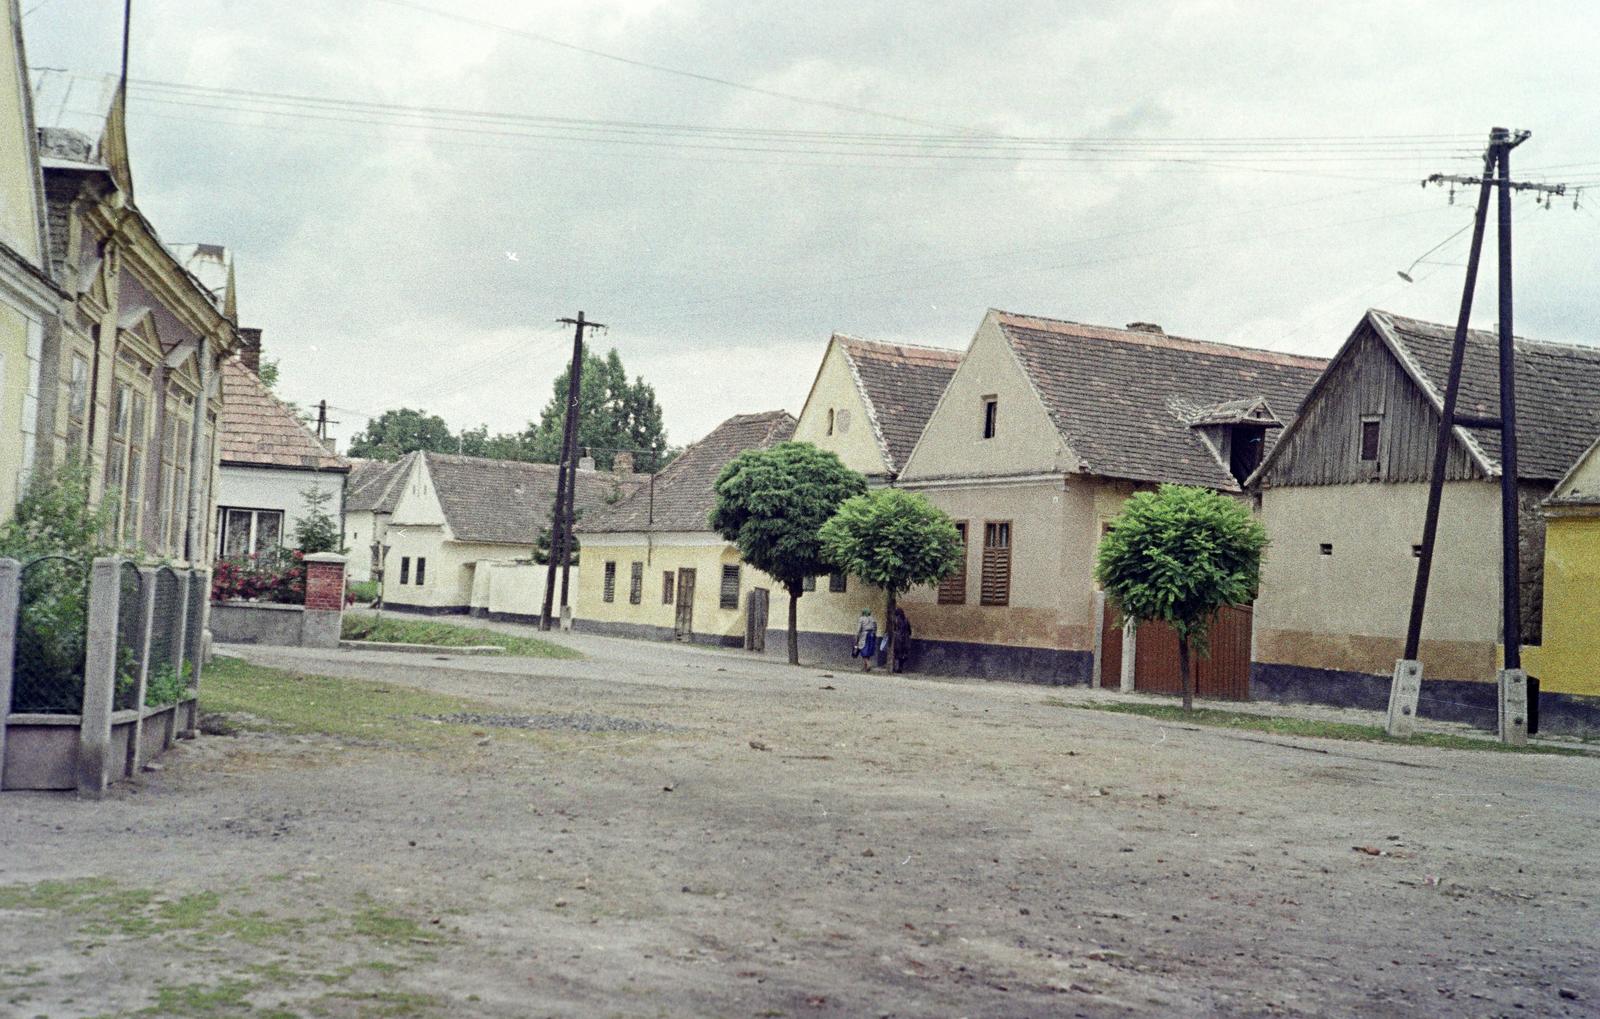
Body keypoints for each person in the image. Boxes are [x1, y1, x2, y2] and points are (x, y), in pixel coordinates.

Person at [890, 606, 912, 673]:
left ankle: (893, 667)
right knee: (903, 654)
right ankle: (900, 668)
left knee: (895, 653)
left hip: (898, 638)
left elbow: (893, 629)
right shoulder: (906, 619)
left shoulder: (895, 619)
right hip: (906, 639)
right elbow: (910, 630)